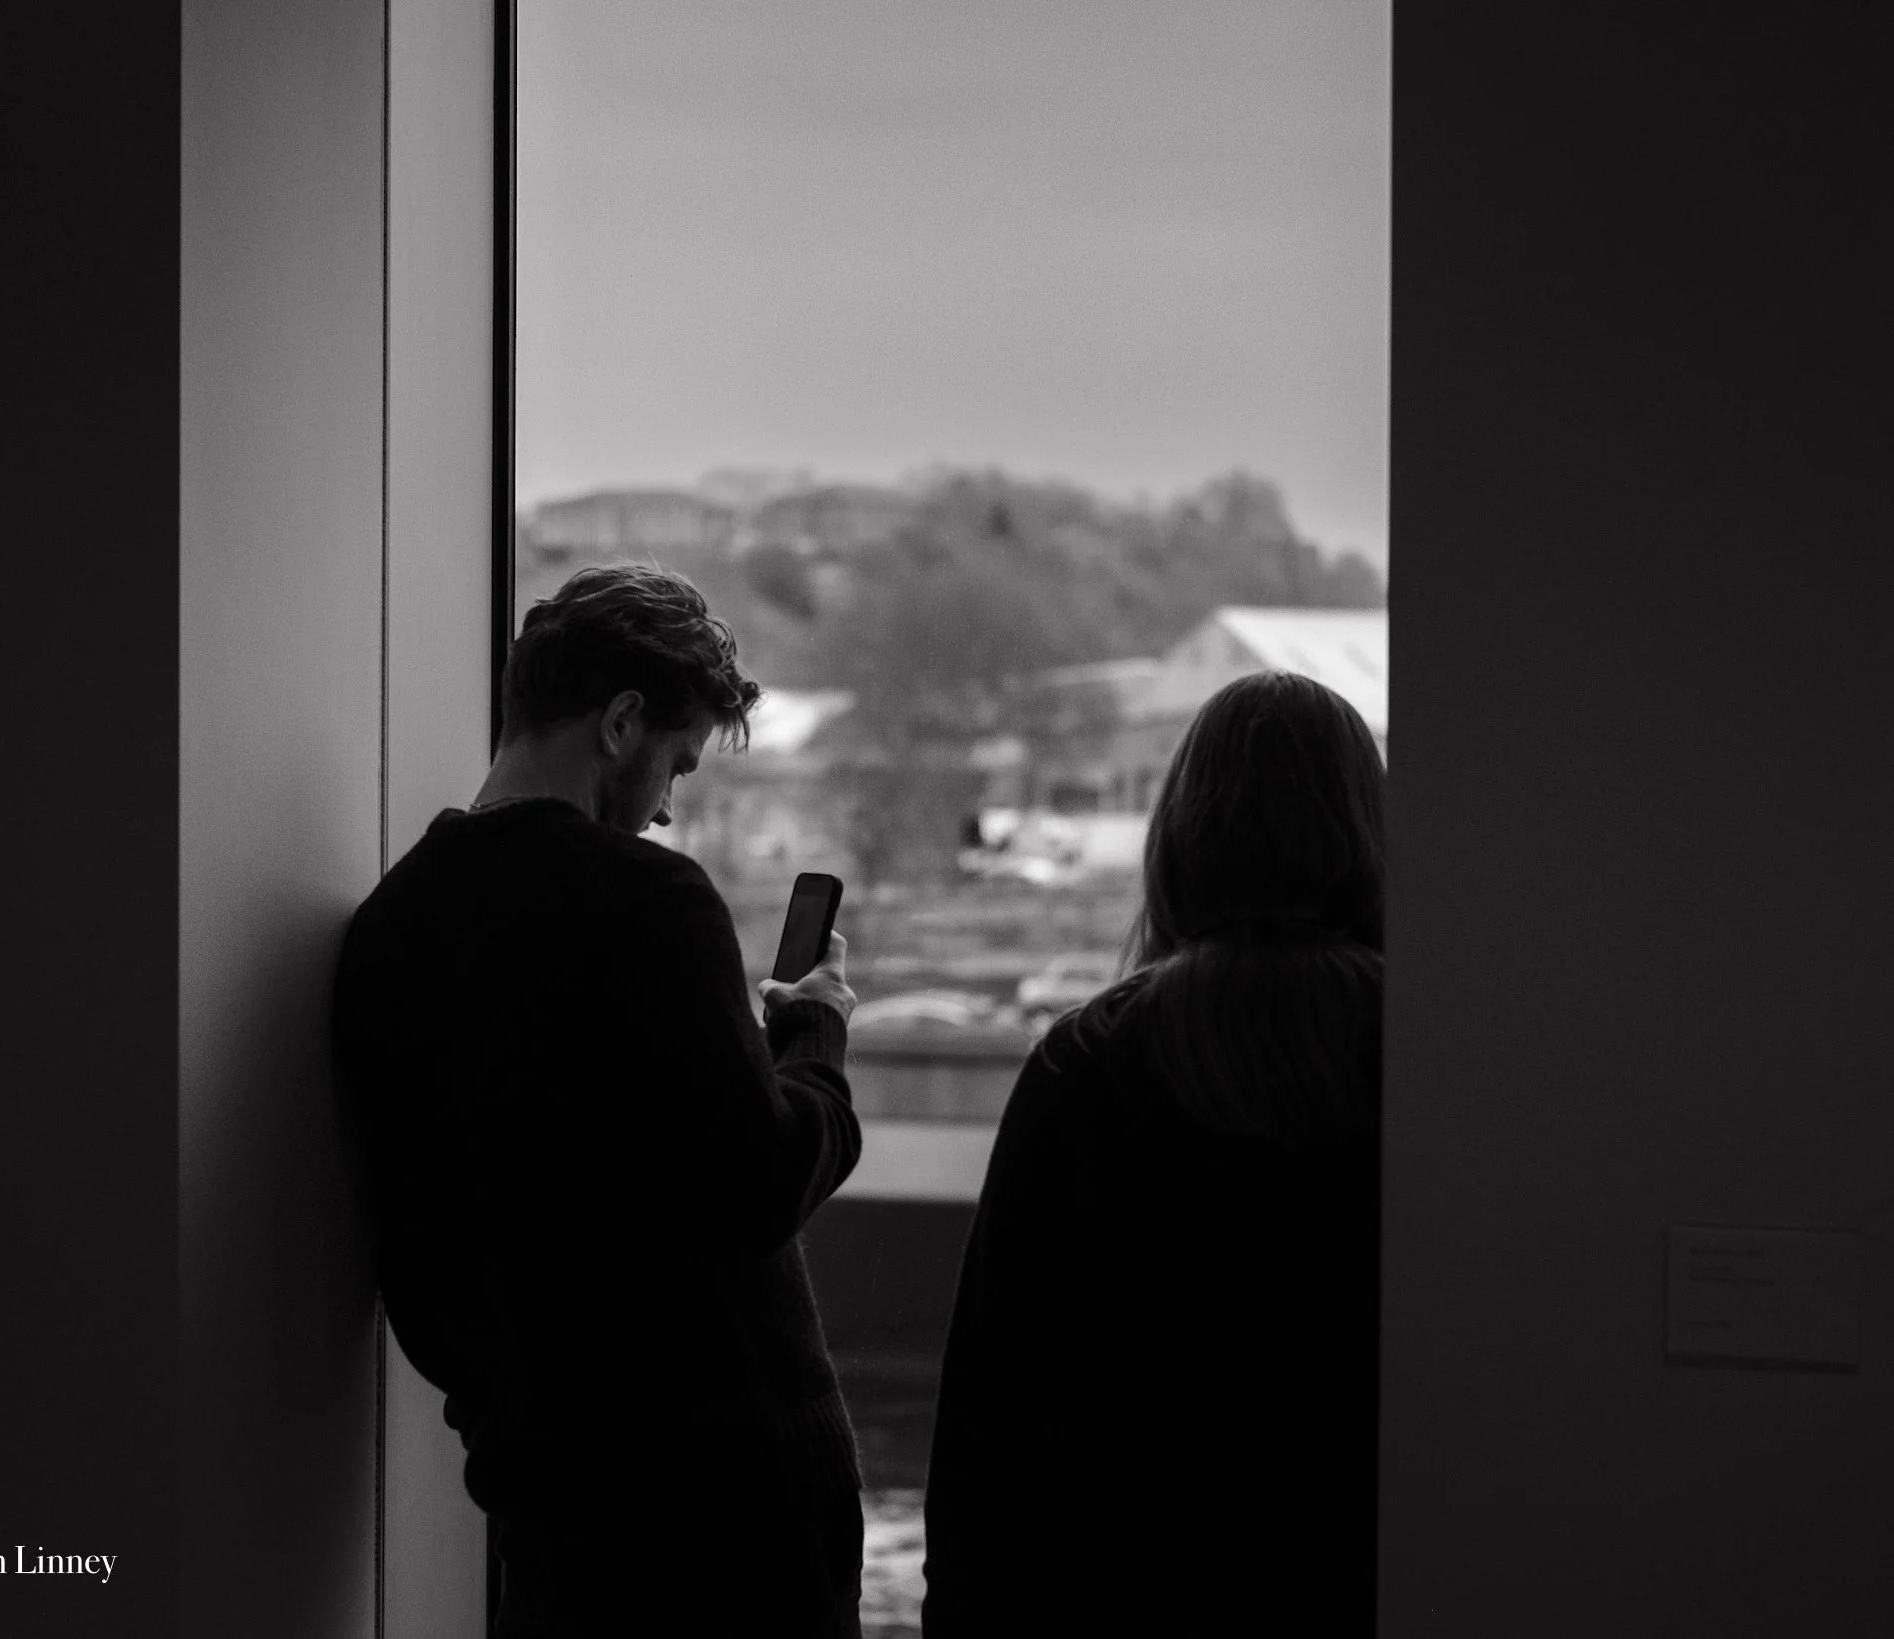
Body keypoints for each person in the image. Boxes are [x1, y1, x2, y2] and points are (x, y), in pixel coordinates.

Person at [331, 565, 865, 1637]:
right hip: (729, 1510)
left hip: (546, 1500)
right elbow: (757, 1183)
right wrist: (811, 1041)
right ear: (620, 722)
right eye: (675, 762)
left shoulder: (386, 932)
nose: (667, 805)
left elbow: (425, 1260)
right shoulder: (648, 901)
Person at [921, 670, 1385, 1635]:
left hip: (1124, 1584)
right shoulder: (1436, 1059)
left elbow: (995, 1411)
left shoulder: (1089, 1060)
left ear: (1180, 831)